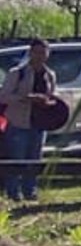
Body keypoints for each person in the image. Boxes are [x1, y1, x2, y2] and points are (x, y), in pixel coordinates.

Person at [0, 39, 57, 201]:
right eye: (36, 52)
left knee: (34, 159)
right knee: (16, 159)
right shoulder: (17, 73)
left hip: (39, 124)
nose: (39, 56)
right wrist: (27, 98)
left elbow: (53, 96)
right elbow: (4, 97)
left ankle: (30, 191)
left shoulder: (50, 75)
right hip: (18, 122)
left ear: (48, 54)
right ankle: (13, 192)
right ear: (30, 53)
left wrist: (47, 102)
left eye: (43, 52)